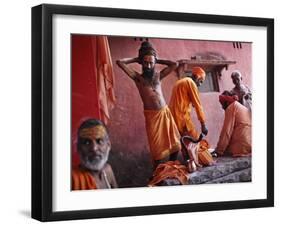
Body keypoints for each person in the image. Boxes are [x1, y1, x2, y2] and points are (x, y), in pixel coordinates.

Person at [116, 41, 181, 166]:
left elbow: (175, 64)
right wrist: (137, 58)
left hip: (165, 113)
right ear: (141, 63)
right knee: (157, 151)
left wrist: (157, 59)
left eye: (151, 63)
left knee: (175, 145)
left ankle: (170, 169)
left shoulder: (158, 76)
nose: (149, 66)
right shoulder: (137, 78)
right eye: (145, 63)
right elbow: (120, 62)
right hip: (152, 117)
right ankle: (158, 175)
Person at [72, 119, 118, 190]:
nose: (94, 148)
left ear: (108, 145)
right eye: (87, 143)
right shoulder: (72, 179)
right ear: (78, 148)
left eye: (99, 141)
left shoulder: (108, 170)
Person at [169, 66, 208, 139]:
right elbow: (197, 105)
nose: (200, 85)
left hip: (172, 118)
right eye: (201, 81)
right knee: (195, 141)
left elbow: (186, 100)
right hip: (182, 118)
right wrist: (203, 125)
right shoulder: (190, 82)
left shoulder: (181, 81)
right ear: (197, 77)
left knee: (184, 143)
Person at [214, 92, 252, 157]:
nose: (222, 107)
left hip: (242, 147)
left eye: (223, 104)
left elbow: (226, 131)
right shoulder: (241, 107)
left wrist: (219, 150)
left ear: (227, 102)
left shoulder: (232, 106)